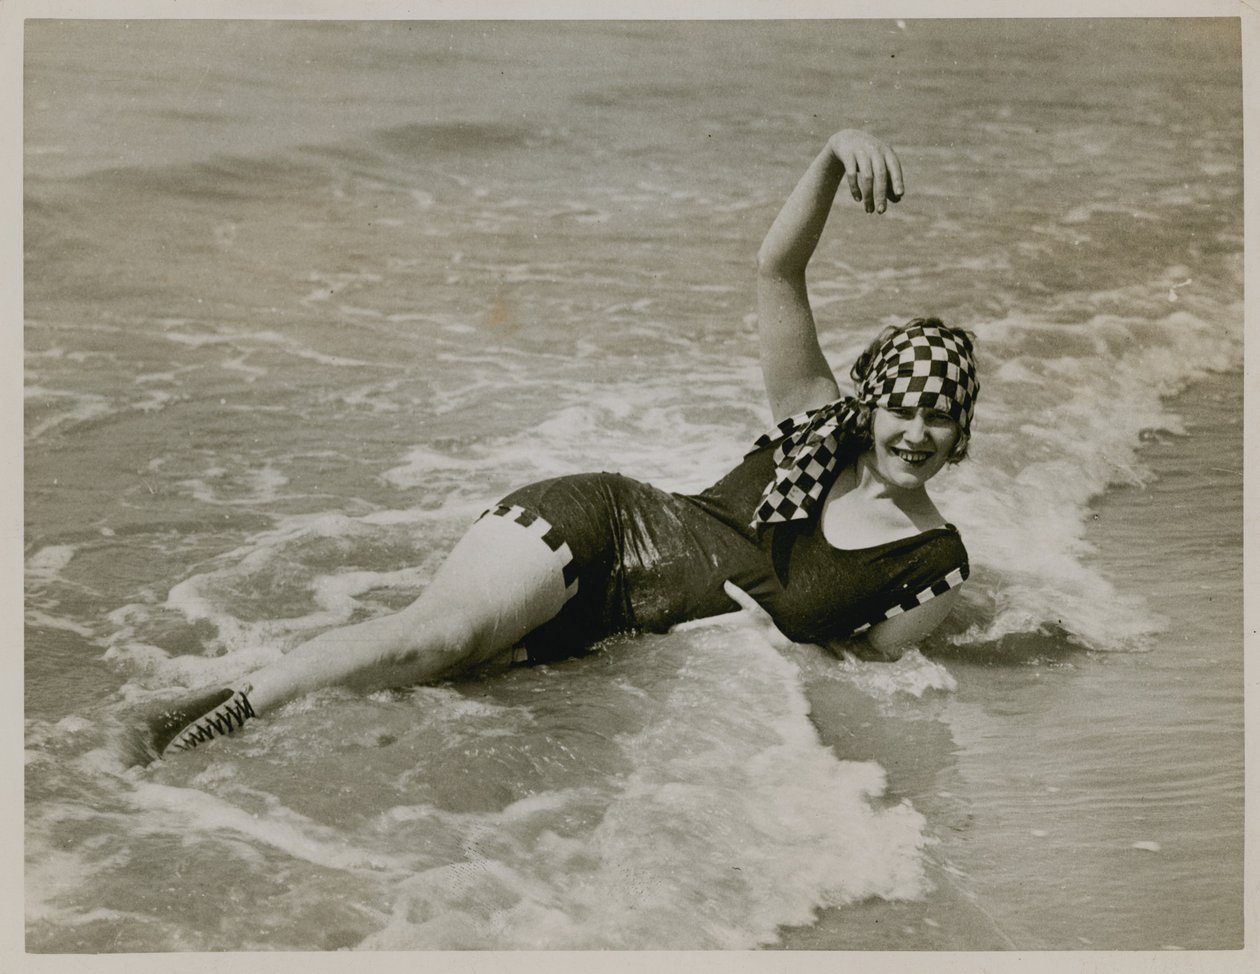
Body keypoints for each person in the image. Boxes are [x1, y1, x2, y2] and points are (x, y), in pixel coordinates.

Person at [120, 128, 978, 767]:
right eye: (902, 407)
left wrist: (772, 652)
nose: (917, 432)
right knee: (439, 639)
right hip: (606, 527)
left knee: (440, 694)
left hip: (617, 630)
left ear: (960, 430)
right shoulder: (815, 421)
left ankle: (226, 707)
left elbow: (860, 672)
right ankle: (221, 711)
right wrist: (831, 156)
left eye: (939, 416)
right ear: (869, 407)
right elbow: (775, 272)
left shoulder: (931, 561)